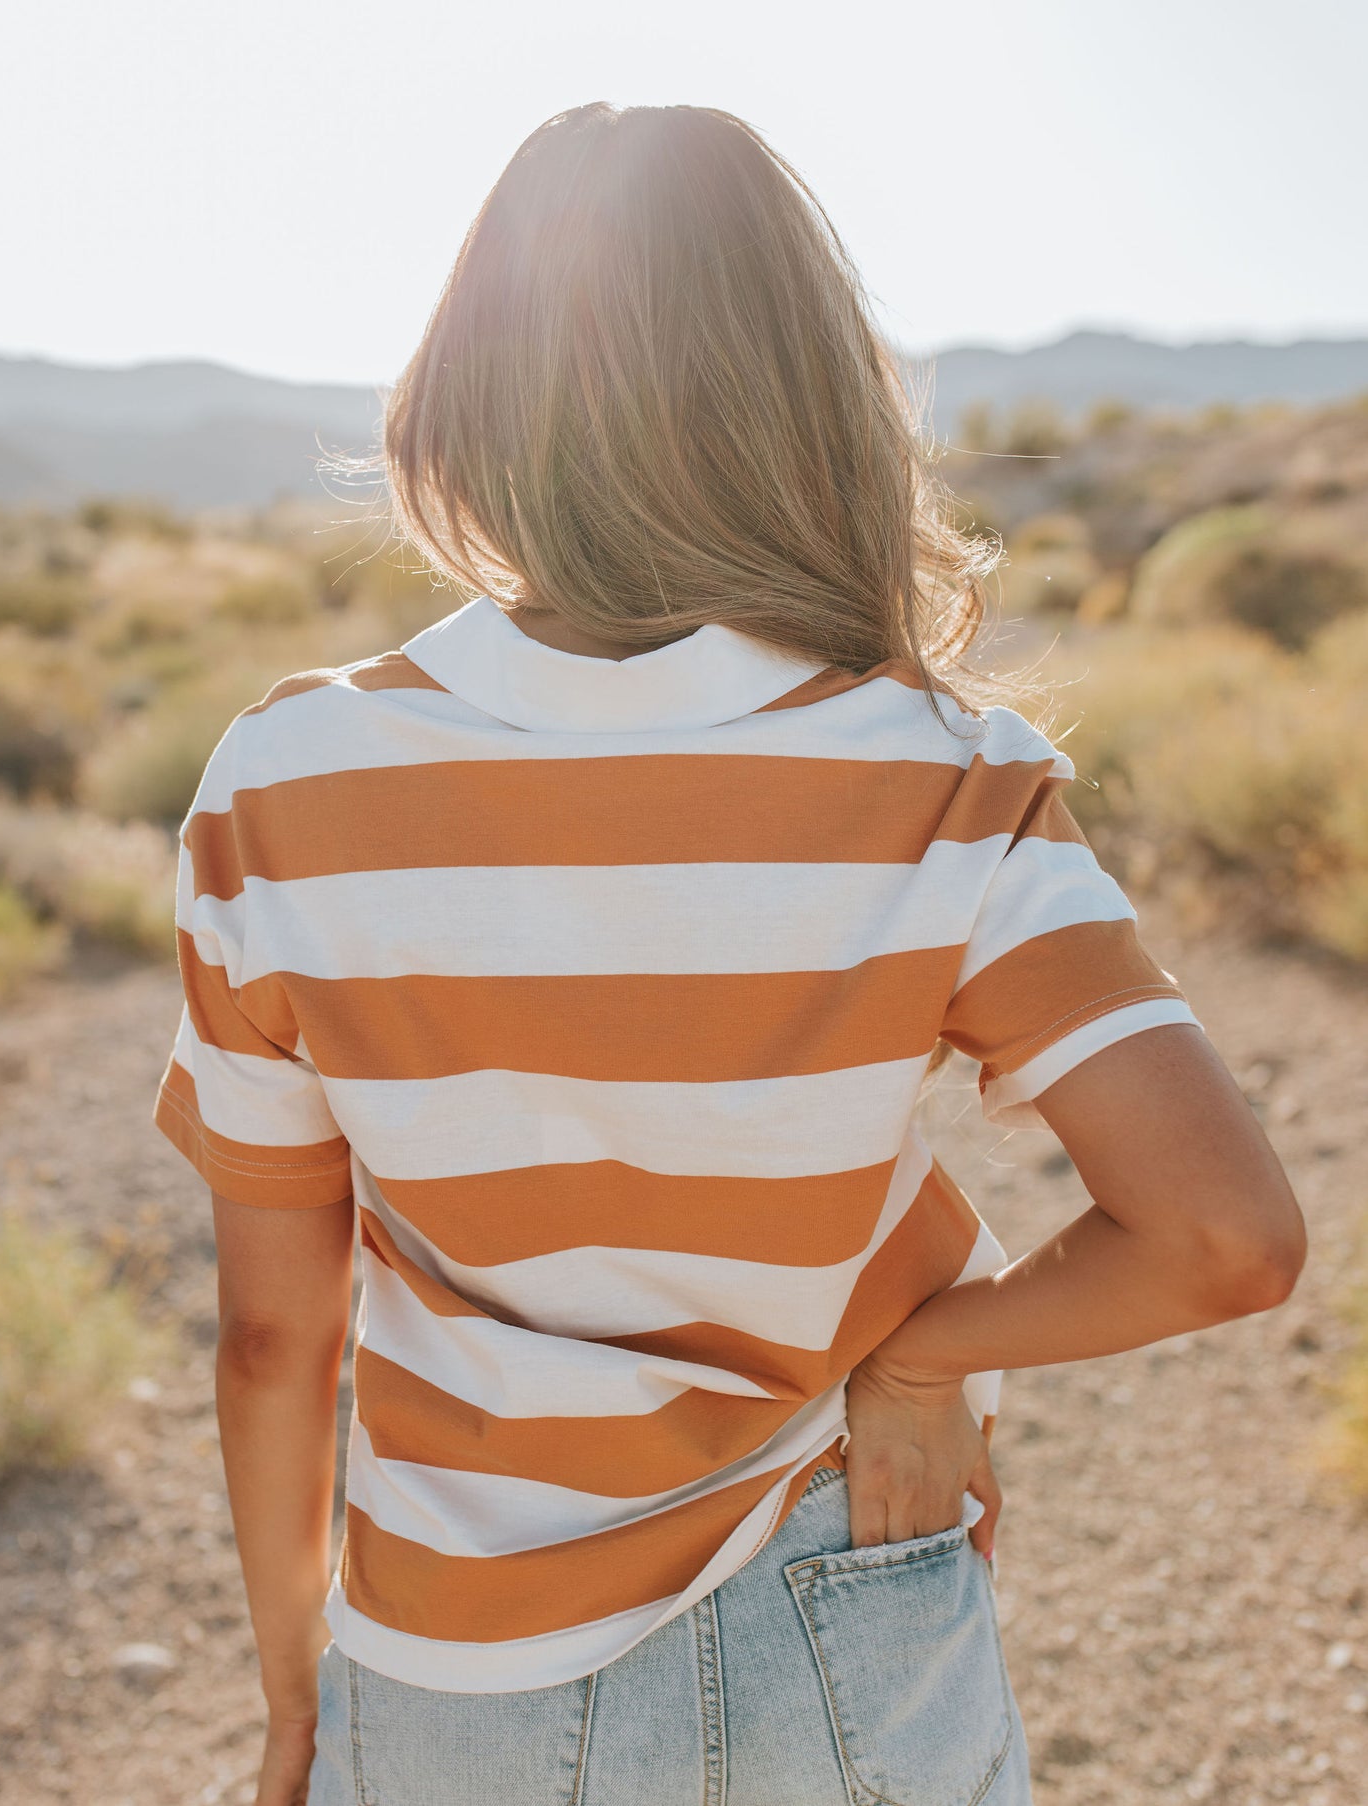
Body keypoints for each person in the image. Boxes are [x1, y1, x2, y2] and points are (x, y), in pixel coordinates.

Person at [151, 103, 1308, 1806]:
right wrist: (925, 1351)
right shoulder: (944, 772)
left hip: (448, 1655)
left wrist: (294, 1697)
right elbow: (1221, 1236)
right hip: (846, 1600)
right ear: (806, 394)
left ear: (465, 395)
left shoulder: (286, 779)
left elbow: (272, 1339)